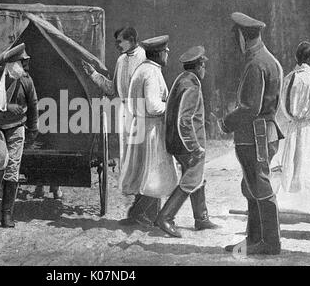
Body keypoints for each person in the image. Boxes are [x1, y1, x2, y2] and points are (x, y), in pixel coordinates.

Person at [219, 12, 284, 255]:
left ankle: (269, 243)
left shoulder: (256, 63)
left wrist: (226, 122)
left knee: (259, 185)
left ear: (242, 36)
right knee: (252, 186)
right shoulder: (269, 59)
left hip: (253, 135)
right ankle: (256, 240)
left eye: (235, 37)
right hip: (264, 132)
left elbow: (250, 107)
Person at [82, 27, 158, 224]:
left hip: (143, 114)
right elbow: (112, 89)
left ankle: (149, 214)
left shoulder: (145, 58)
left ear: (132, 40)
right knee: (132, 165)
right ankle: (138, 214)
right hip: (126, 115)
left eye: (120, 42)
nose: (117, 45)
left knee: (145, 162)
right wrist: (93, 75)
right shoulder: (121, 60)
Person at [154, 46, 218, 237]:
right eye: (203, 65)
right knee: (191, 179)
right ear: (198, 66)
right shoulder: (192, 86)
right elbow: (184, 120)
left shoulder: (182, 80)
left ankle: (201, 218)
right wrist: (195, 147)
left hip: (177, 142)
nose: (204, 69)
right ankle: (165, 217)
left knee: (197, 177)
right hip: (187, 144)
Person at [0, 43, 39, 228]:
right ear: (11, 64)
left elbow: (33, 104)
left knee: (13, 168)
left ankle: (6, 215)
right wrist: (5, 106)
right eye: (22, 62)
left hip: (17, 126)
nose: (25, 65)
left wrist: (33, 128)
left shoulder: (26, 80)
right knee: (1, 157)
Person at [119, 35, 178, 226]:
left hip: (142, 126)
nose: (168, 54)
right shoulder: (151, 72)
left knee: (146, 173)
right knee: (153, 173)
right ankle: (139, 214)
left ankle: (144, 214)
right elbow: (153, 106)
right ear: (159, 53)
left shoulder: (143, 69)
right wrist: (171, 106)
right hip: (151, 128)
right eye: (166, 51)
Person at [280, 42, 310, 194]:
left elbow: (282, 106)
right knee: (306, 164)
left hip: (293, 127)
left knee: (293, 163)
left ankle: (292, 197)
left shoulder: (288, 78)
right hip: (309, 128)